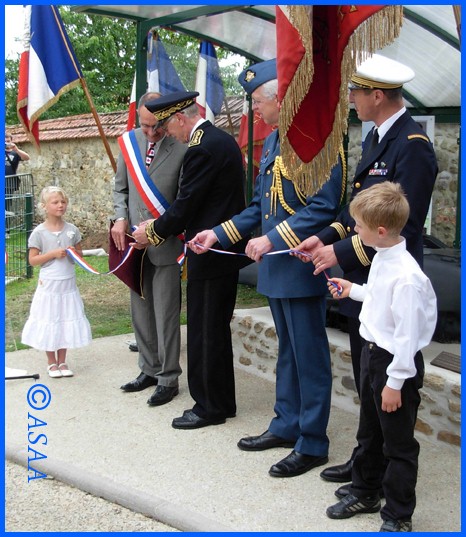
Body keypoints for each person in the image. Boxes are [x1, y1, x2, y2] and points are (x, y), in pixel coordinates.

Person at [190, 59, 345, 477]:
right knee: (288, 354)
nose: (254, 110)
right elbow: (261, 207)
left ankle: (312, 442)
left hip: (300, 263)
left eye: (259, 101)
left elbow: (324, 208)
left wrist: (273, 239)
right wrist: (217, 234)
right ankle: (286, 424)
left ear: (282, 98)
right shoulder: (275, 140)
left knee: (309, 356)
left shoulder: (318, 139)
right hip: (277, 269)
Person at [294, 54, 438, 486]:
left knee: (381, 386)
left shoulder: (412, 146)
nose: (351, 100)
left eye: (355, 93)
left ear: (377, 95)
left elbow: (403, 227)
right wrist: (326, 237)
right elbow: (357, 207)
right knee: (366, 380)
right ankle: (365, 463)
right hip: (368, 280)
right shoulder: (376, 137)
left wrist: (339, 253)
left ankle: (373, 479)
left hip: (389, 282)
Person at [132, 90, 250, 429]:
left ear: (180, 119)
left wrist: (152, 232)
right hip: (218, 250)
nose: (169, 135)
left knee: (204, 332)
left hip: (210, 252)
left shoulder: (201, 148)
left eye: (168, 129)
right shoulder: (218, 141)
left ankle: (208, 407)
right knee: (214, 330)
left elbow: (186, 205)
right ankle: (221, 401)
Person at [325, 182, 437, 532]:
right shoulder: (385, 257)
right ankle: (366, 490)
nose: (355, 230)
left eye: (358, 225)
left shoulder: (407, 277)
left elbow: (406, 337)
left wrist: (395, 382)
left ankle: (398, 515)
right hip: (374, 357)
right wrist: (354, 290)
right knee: (370, 431)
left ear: (381, 231)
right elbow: (378, 297)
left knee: (398, 444)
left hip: (394, 365)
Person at [114, 92, 187, 407]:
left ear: (168, 118)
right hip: (133, 243)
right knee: (140, 311)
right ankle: (148, 368)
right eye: (144, 126)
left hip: (166, 244)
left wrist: (155, 232)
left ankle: (168, 378)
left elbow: (184, 201)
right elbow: (120, 188)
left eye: (156, 126)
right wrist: (119, 218)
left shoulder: (182, 148)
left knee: (166, 314)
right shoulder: (128, 143)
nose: (150, 133)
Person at [21, 186, 92, 378]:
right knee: (50, 318)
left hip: (67, 285)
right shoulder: (39, 233)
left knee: (64, 319)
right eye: (55, 202)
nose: (60, 205)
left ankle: (63, 361)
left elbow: (80, 255)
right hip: (50, 285)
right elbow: (33, 260)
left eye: (63, 202)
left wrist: (73, 253)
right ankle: (51, 362)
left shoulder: (72, 230)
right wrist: (52, 254)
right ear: (45, 206)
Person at [5, 131, 30, 233]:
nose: (6, 142)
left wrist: (16, 149)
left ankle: (5, 230)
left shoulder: (14, 153)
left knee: (5, 207)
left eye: (8, 140)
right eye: (4, 140)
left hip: (8, 184)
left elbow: (26, 157)